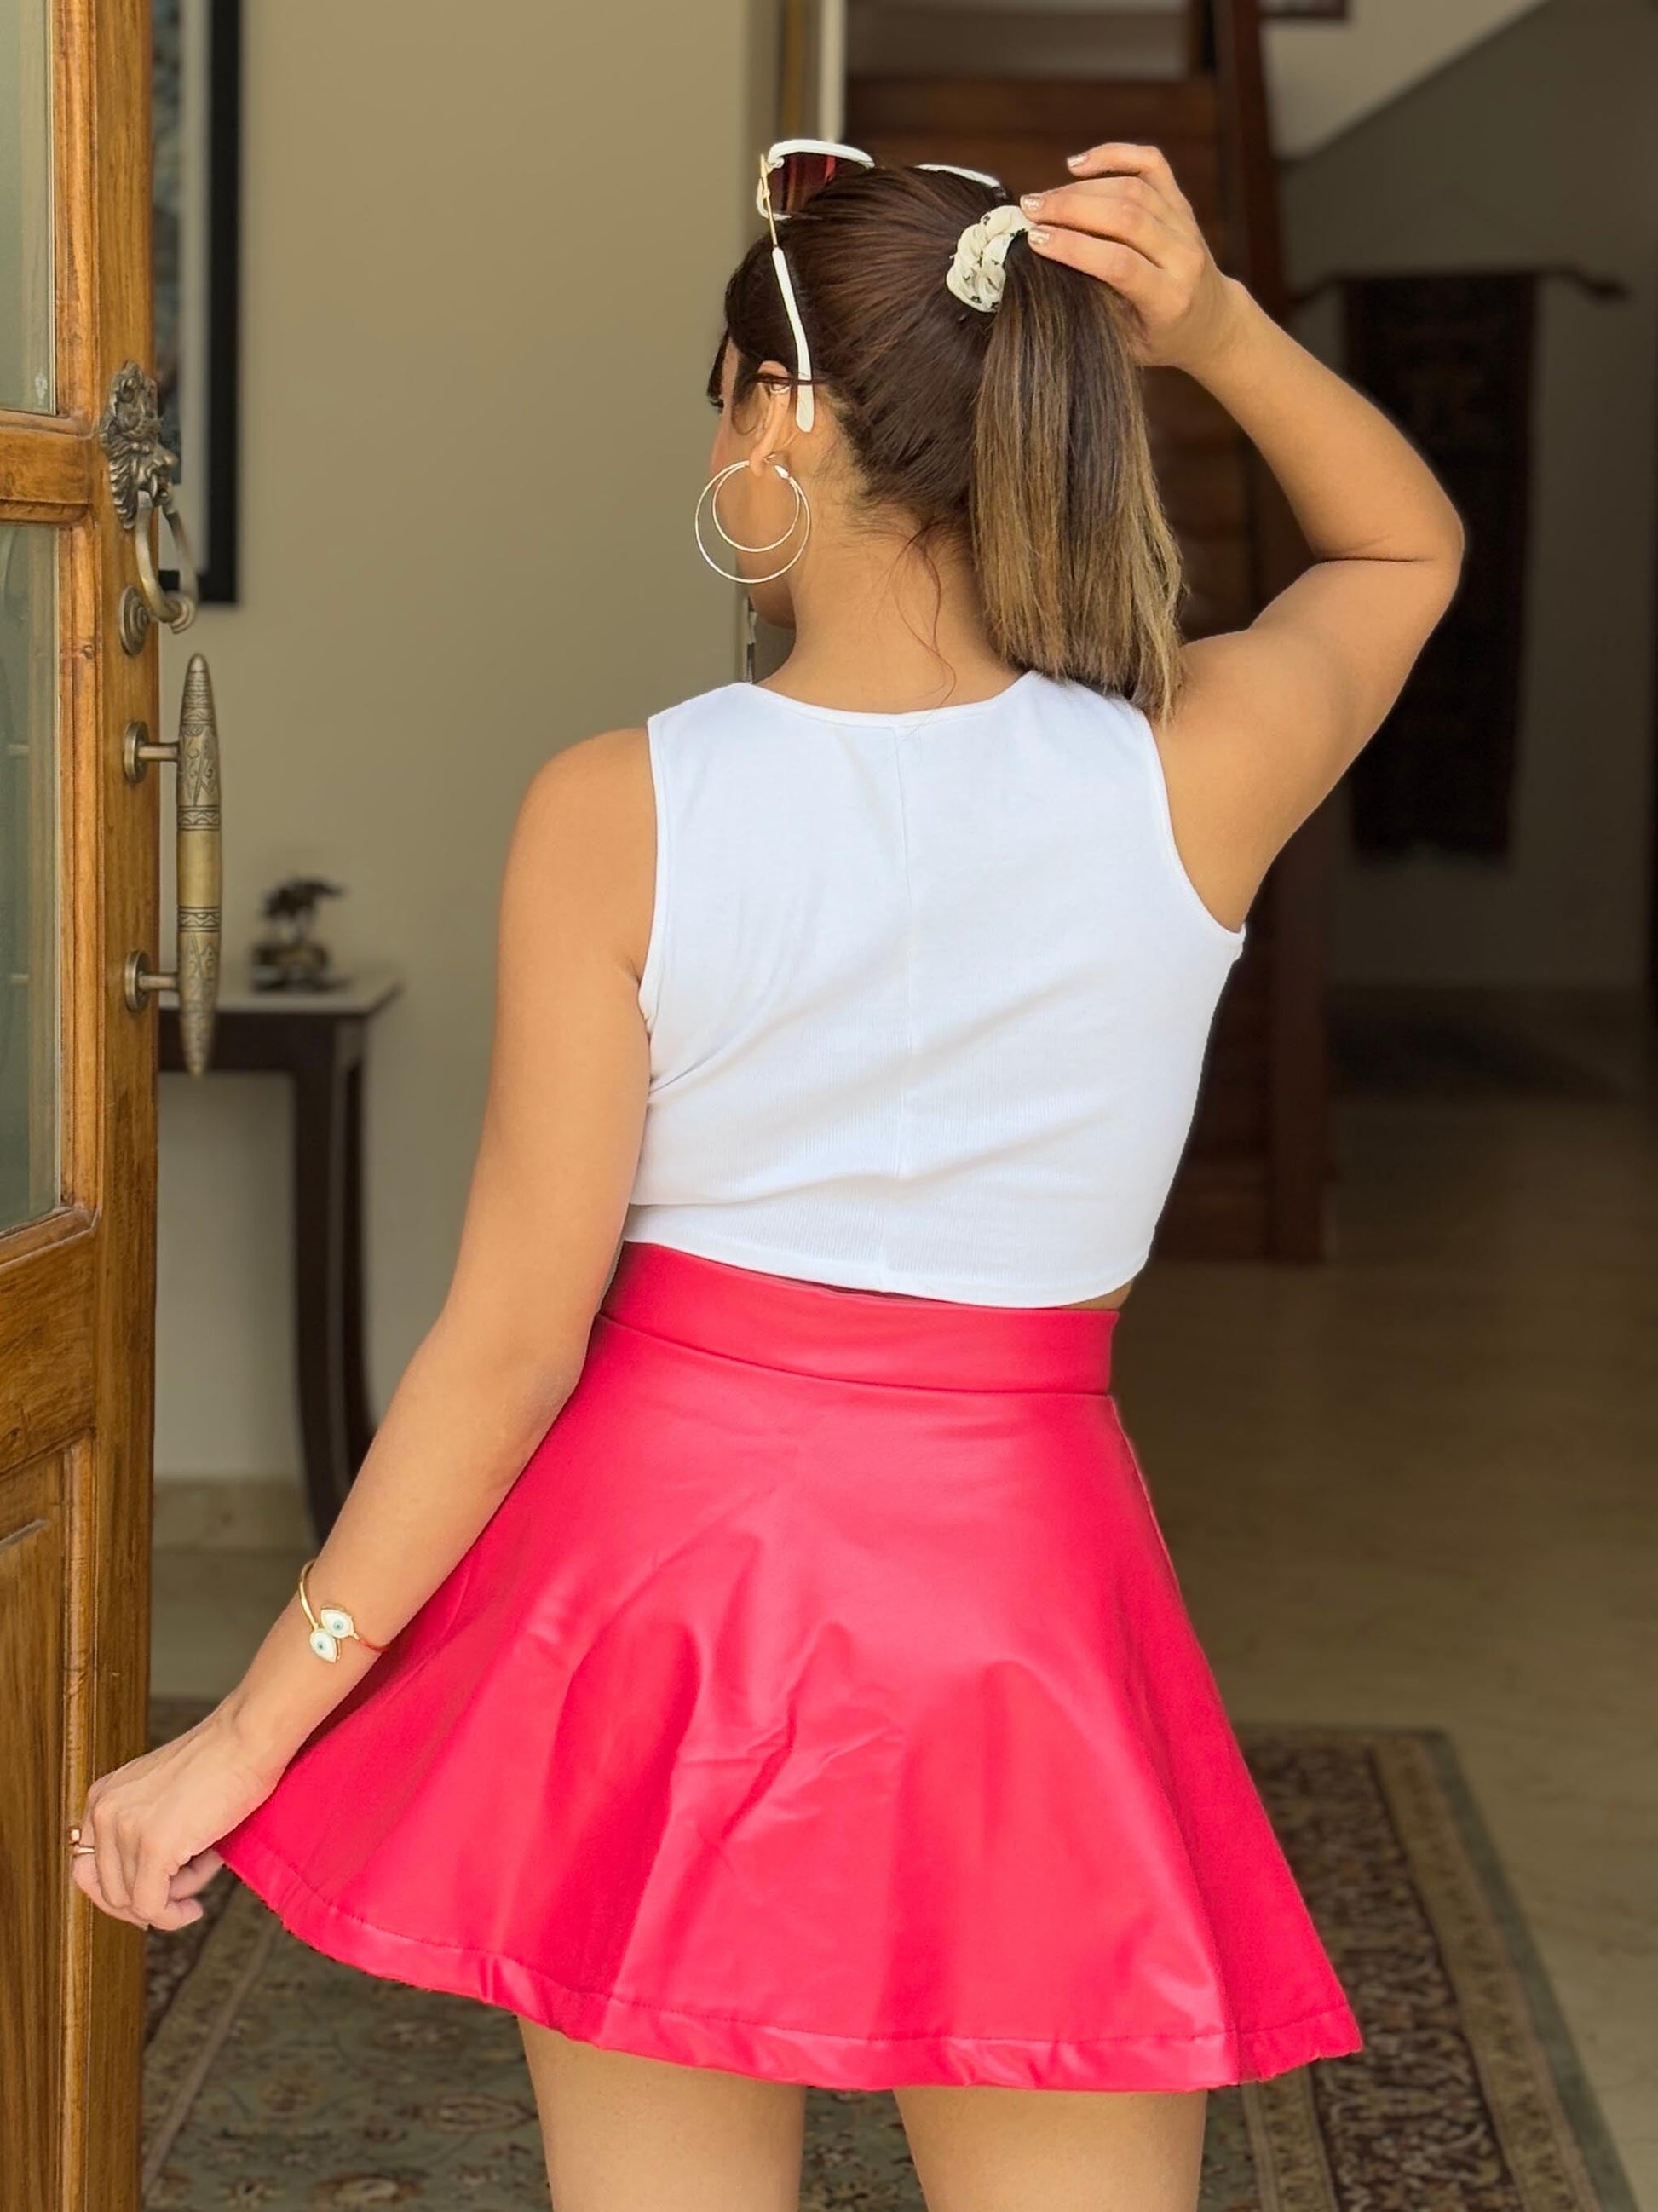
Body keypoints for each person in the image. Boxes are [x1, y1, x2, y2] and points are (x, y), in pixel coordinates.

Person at [72, 141, 1462, 2211]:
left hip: (659, 1595)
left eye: (717, 393)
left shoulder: (614, 807)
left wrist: (248, 1727)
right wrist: (1213, 325)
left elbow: (509, 1348)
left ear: (781, 415)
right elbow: (1402, 546)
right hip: (1012, 1590)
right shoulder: (1196, 764)